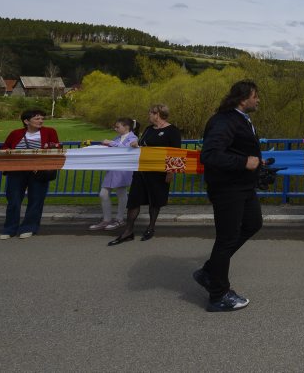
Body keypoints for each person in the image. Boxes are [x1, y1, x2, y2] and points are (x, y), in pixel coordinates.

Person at [193, 80, 263, 312]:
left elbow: (236, 148)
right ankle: (218, 295)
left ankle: (209, 271)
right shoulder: (224, 120)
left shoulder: (240, 118)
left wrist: (257, 163)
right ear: (243, 99)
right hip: (227, 189)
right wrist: (244, 162)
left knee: (253, 223)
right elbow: (210, 155)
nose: (258, 100)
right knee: (226, 239)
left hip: (243, 186)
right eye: (255, 96)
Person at [109, 104, 182, 246]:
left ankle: (151, 227)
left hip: (159, 172)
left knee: (155, 201)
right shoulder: (149, 129)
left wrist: (171, 172)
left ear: (157, 114)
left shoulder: (172, 131)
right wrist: (136, 143)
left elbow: (176, 153)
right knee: (134, 200)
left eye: (150, 113)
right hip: (142, 170)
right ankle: (128, 231)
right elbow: (143, 144)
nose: (149, 115)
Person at [0, 109, 60, 240]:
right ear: (26, 121)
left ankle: (29, 227)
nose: (41, 121)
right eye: (37, 118)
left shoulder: (50, 132)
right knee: (13, 200)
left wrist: (41, 164)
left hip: (38, 172)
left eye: (42, 118)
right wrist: (7, 151)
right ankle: (9, 229)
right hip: (16, 171)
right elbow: (4, 147)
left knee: (36, 200)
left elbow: (55, 150)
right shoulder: (15, 133)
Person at [89, 118, 136, 232]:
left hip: (123, 169)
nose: (115, 129)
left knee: (121, 193)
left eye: (117, 127)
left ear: (126, 127)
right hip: (113, 168)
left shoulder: (133, 138)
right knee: (103, 194)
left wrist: (110, 143)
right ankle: (107, 220)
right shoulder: (117, 138)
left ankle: (119, 219)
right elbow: (115, 148)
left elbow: (126, 148)